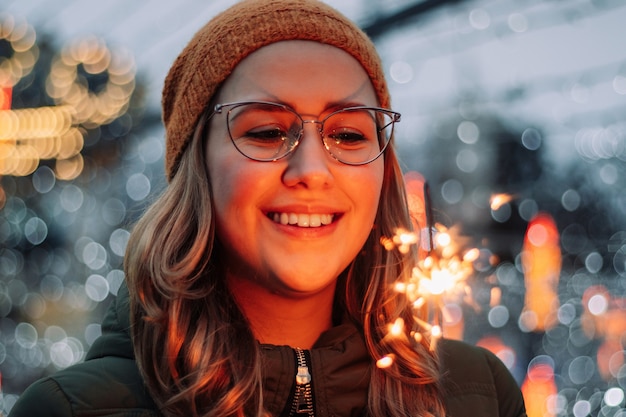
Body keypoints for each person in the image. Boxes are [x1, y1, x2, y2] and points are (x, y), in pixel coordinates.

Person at [9, 0, 527, 416]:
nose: (312, 171)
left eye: (348, 134)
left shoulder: (476, 394)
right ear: (197, 166)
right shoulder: (72, 408)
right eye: (265, 131)